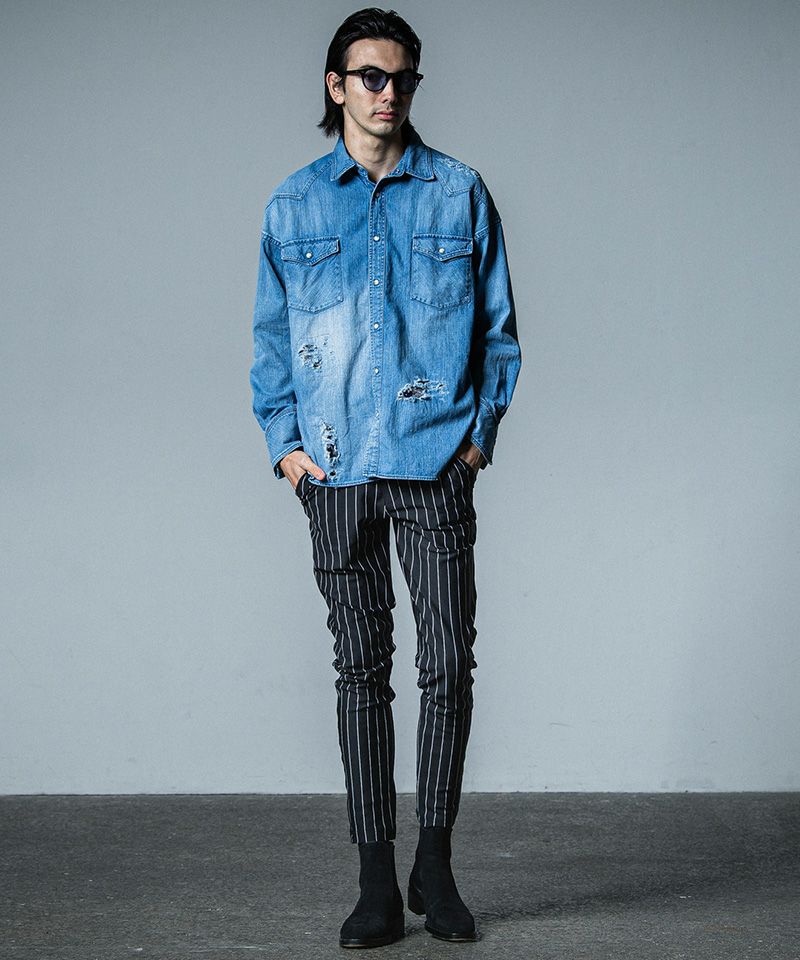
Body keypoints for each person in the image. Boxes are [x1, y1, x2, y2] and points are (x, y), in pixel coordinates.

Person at [249, 6, 522, 948]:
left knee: (446, 665)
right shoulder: (293, 206)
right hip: (334, 474)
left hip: (434, 463)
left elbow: (497, 333)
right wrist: (286, 448)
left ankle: (433, 866)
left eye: (403, 77)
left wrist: (475, 443)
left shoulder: (459, 192)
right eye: (371, 76)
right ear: (336, 86)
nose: (388, 92)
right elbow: (269, 340)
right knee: (360, 672)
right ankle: (374, 881)